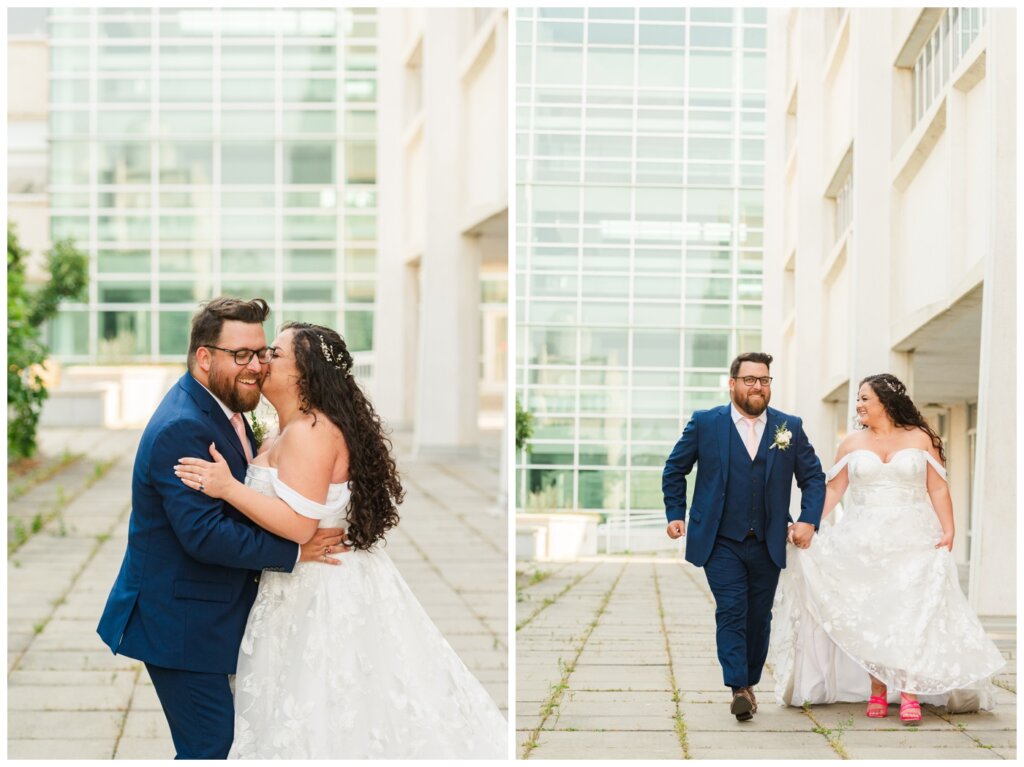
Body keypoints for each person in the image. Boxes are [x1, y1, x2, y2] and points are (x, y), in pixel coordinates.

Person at [173, 322, 508, 759]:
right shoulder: (286, 428)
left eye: (274, 353)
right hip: (296, 587)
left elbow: (298, 527)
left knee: (330, 707)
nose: (262, 362)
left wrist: (228, 488)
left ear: (302, 373)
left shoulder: (311, 431)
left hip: (324, 591)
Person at [97, 298, 347, 759]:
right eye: (241, 355)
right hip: (182, 627)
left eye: (261, 352)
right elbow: (205, 535)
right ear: (204, 357)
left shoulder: (224, 409)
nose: (255, 366)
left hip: (214, 616)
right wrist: (295, 552)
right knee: (211, 751)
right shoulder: (183, 426)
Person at [770, 373, 1005, 723]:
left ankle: (909, 690)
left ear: (885, 401)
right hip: (861, 541)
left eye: (865, 398)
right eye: (859, 399)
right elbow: (833, 490)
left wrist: (950, 529)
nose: (859, 405)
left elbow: (937, 489)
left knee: (910, 614)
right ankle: (878, 687)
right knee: (872, 614)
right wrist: (810, 523)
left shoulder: (921, 439)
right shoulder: (851, 443)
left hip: (912, 538)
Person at [663, 352, 826, 721]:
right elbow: (675, 469)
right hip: (719, 539)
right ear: (732, 383)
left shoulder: (789, 427)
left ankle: (748, 682)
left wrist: (808, 520)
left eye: (764, 380)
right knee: (732, 610)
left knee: (759, 616)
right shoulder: (706, 424)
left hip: (768, 539)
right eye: (750, 379)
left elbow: (813, 478)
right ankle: (738, 687)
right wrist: (675, 513)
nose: (758, 386)